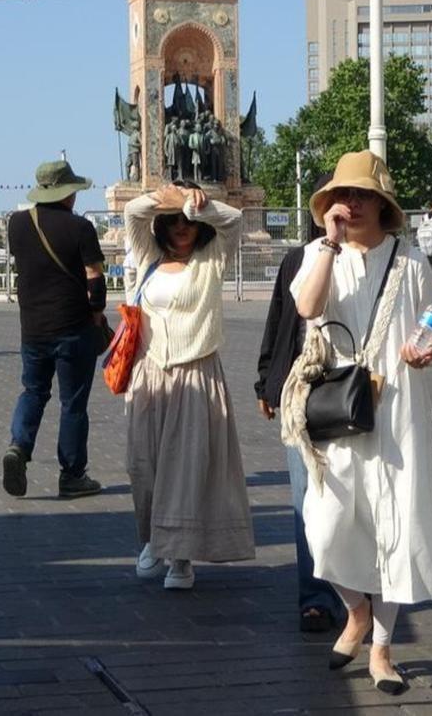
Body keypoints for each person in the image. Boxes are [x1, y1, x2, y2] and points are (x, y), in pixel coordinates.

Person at [282, 150, 432, 696]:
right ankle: (355, 611)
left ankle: (382, 649)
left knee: (395, 522)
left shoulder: (409, 261)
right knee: (325, 523)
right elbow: (308, 307)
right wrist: (330, 244)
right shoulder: (320, 254)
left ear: (382, 204)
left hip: (399, 401)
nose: (352, 203)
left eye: (363, 195)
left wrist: (425, 350)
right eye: (343, 195)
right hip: (341, 402)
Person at [124, 180, 254, 591]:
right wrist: (164, 197)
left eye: (189, 221)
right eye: (174, 220)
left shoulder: (211, 258)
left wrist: (200, 205)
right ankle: (152, 539)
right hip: (148, 371)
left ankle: (179, 558)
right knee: (142, 463)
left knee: (185, 467)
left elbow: (234, 221)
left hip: (195, 370)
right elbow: (131, 214)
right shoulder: (147, 256)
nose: (182, 226)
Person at [255, 174, 343, 634]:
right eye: (335, 203)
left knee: (354, 497)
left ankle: (356, 590)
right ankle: (315, 596)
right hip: (301, 392)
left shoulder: (380, 259)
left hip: (353, 392)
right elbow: (281, 322)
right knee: (306, 496)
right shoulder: (298, 259)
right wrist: (265, 382)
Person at [2, 160, 107, 500]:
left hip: (32, 328)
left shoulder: (16, 223)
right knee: (72, 403)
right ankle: (72, 475)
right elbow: (94, 277)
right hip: (73, 327)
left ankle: (19, 446)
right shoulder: (80, 228)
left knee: (33, 391)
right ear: (67, 193)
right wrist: (96, 313)